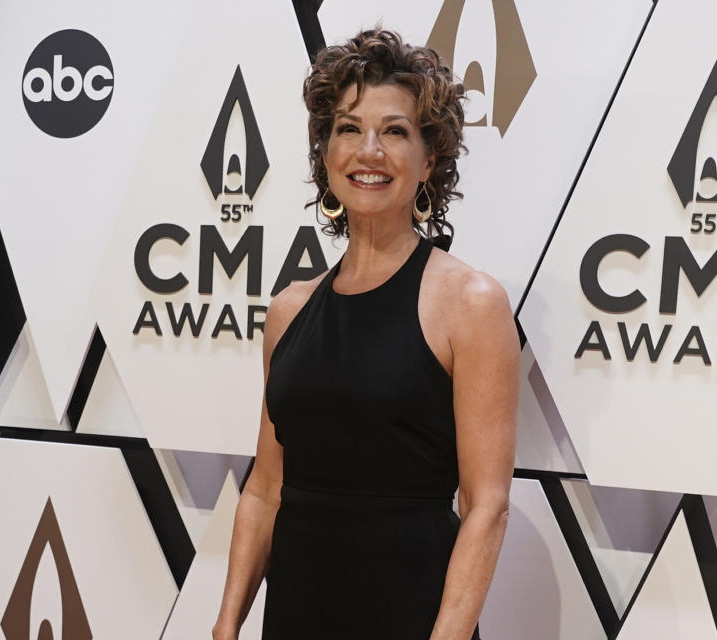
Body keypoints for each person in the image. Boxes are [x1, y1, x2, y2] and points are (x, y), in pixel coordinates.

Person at [213, 28, 518, 640]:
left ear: (430, 159)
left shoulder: (471, 304)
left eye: (396, 131)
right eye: (349, 129)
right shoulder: (288, 311)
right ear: (325, 155)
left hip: (411, 616)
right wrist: (226, 627)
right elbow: (266, 489)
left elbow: (487, 506)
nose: (369, 150)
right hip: (296, 611)